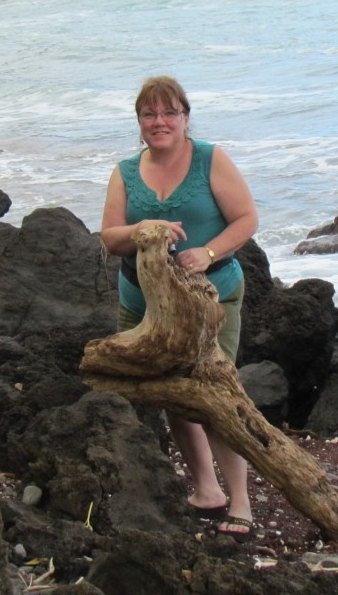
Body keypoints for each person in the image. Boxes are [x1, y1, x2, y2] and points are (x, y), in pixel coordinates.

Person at [100, 75, 259, 541]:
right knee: (172, 392)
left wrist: (206, 253)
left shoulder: (210, 159)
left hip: (211, 299)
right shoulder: (126, 171)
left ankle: (243, 501)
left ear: (185, 118)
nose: (159, 122)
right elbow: (110, 238)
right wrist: (143, 228)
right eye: (149, 115)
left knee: (215, 394)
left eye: (169, 113)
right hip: (142, 303)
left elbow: (247, 218)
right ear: (140, 123)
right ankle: (206, 490)